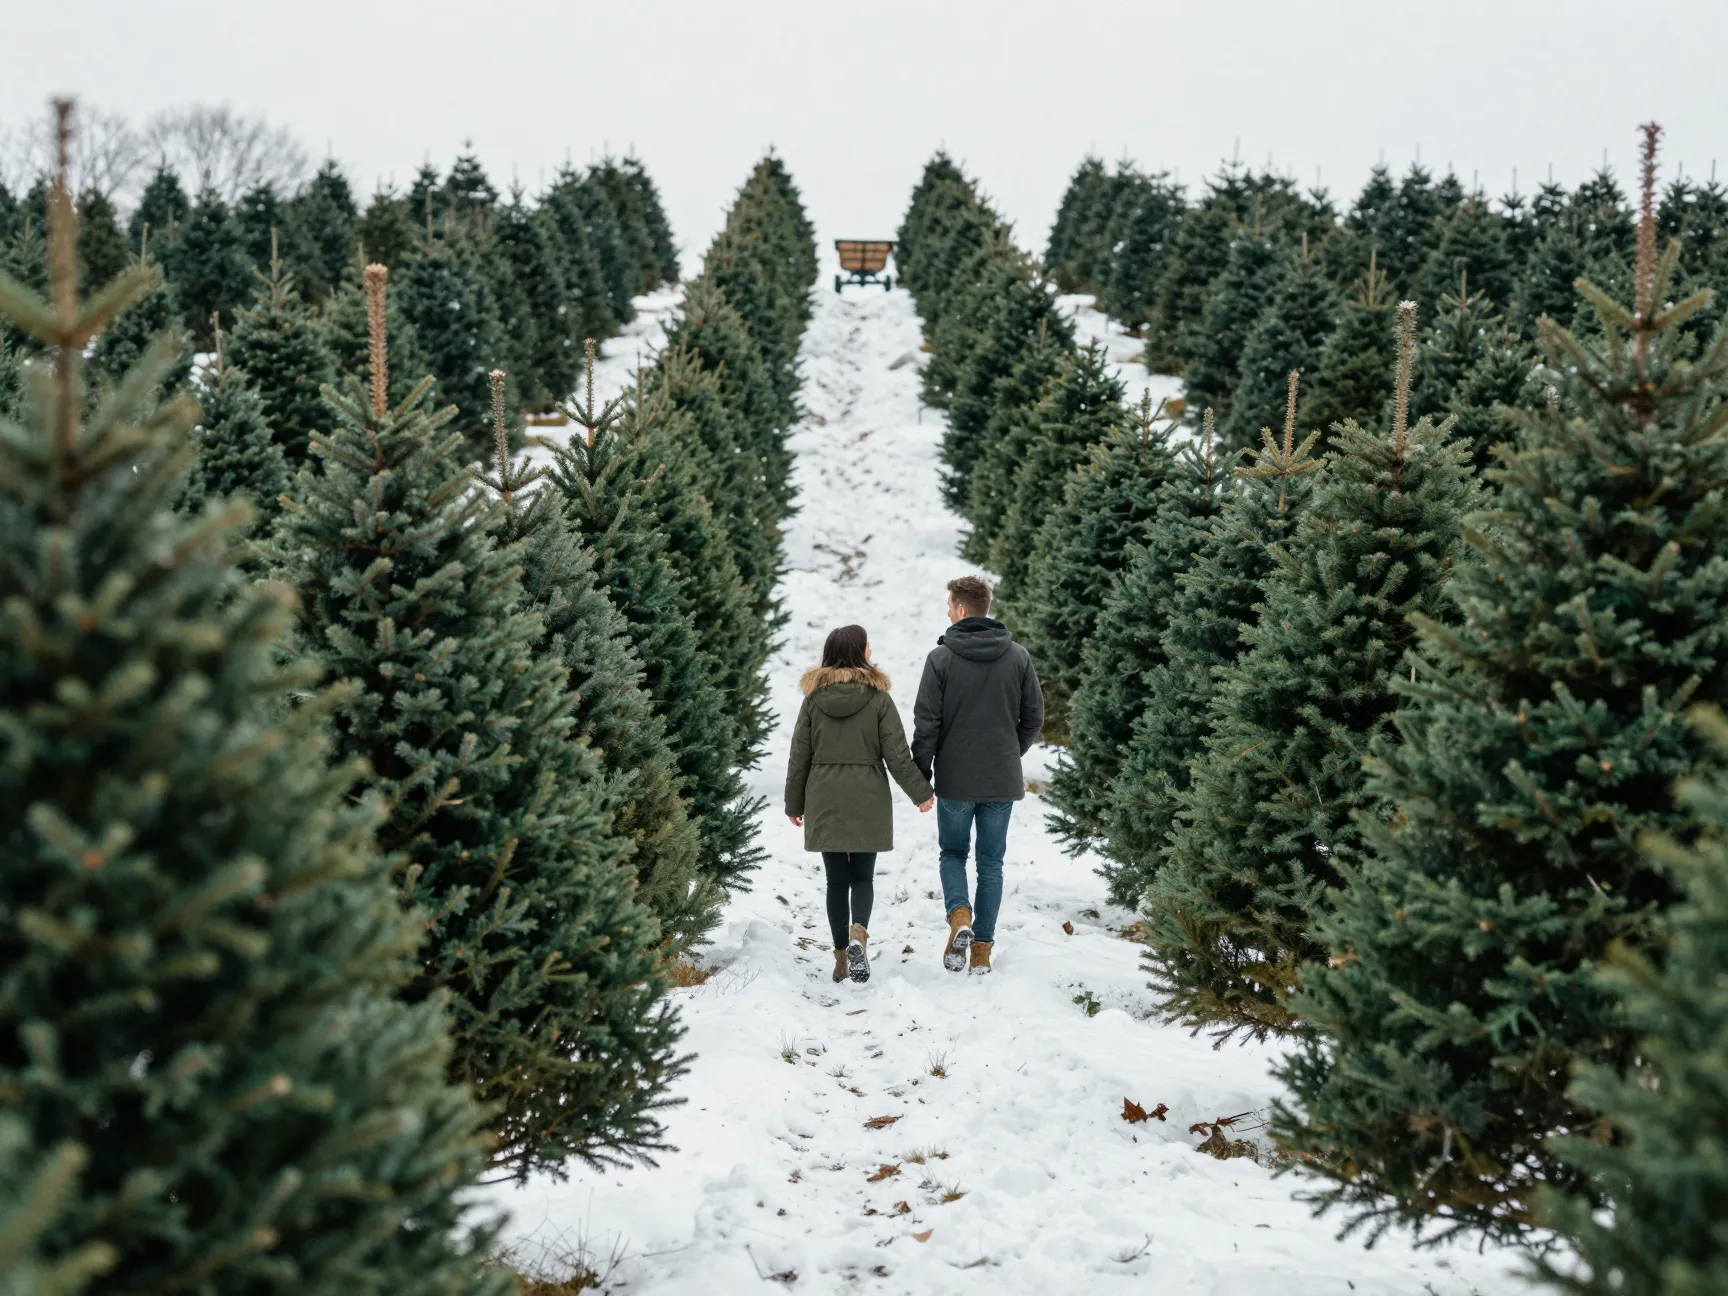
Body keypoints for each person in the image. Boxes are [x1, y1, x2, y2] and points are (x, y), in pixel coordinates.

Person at [785, 625, 934, 983]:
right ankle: (859, 934)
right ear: (858, 652)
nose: (871, 651)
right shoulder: (878, 698)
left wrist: (794, 803)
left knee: (836, 880)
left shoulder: (813, 700)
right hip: (868, 794)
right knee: (863, 876)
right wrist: (921, 792)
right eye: (868, 646)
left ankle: (840, 958)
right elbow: (896, 754)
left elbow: (799, 756)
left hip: (824, 794)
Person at [912, 575, 1044, 975]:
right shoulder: (1017, 656)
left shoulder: (941, 660)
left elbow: (927, 724)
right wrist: (1011, 751)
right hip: (1000, 780)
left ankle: (959, 917)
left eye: (949, 605)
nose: (947, 612)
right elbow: (1034, 716)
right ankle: (982, 951)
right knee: (991, 864)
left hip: (956, 779)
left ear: (962, 610)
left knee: (953, 853)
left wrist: (921, 773)